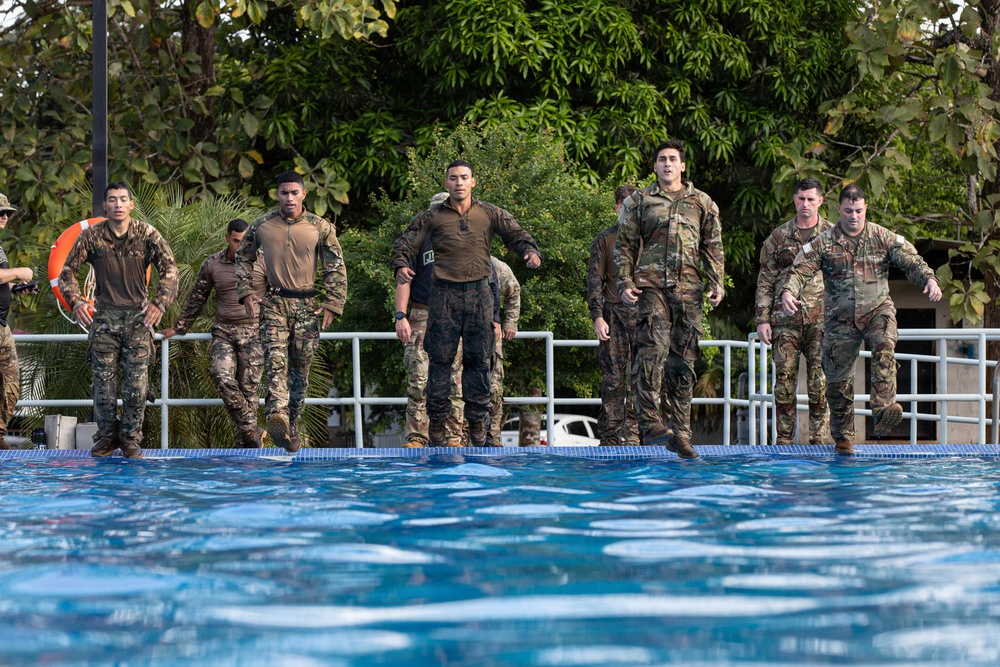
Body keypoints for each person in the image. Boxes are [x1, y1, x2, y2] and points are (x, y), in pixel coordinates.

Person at [781, 184, 942, 455]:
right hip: (839, 319)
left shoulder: (882, 236)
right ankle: (844, 437)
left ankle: (882, 409)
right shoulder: (824, 242)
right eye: (847, 211)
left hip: (877, 309)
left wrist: (928, 278)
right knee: (837, 380)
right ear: (839, 210)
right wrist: (788, 291)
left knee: (885, 344)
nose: (853, 216)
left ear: (865, 208)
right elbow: (800, 270)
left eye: (858, 210)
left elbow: (909, 260)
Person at [391, 159, 541, 447]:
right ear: (446, 183)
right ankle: (436, 420)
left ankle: (477, 426)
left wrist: (529, 251)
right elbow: (405, 244)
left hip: (480, 297)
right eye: (453, 178)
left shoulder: (489, 213)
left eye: (464, 177)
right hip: (443, 296)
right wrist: (400, 265)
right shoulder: (432, 216)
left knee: (479, 362)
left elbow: (516, 234)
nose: (459, 182)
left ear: (473, 182)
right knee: (439, 362)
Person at [617, 139, 724, 459]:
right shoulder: (639, 201)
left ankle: (681, 434)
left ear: (682, 166)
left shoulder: (702, 202)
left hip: (689, 291)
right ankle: (650, 421)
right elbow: (624, 244)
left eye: (672, 159)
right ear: (655, 166)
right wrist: (624, 281)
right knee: (653, 349)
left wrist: (717, 282)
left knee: (683, 364)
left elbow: (713, 245)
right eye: (661, 159)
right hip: (650, 288)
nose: (667, 164)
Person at [58, 182, 179, 458]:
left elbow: (170, 268)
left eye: (123, 199)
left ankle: (131, 440)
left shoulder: (147, 233)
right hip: (105, 318)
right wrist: (76, 301)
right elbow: (68, 272)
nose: (118, 204)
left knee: (137, 386)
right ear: (105, 206)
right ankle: (106, 438)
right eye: (112, 200)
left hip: (138, 318)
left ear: (131, 204)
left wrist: (160, 302)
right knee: (103, 386)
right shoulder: (91, 236)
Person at [235, 171, 347, 453]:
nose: (289, 198)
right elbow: (243, 258)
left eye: (294, 193)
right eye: (284, 193)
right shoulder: (262, 225)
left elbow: (335, 265)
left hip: (307, 305)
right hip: (274, 303)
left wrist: (333, 301)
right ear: (278, 194)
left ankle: (291, 424)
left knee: (301, 371)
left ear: (303, 194)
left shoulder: (320, 227)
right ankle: (278, 415)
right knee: (276, 361)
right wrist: (246, 292)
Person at [159, 219, 267, 448]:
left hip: (255, 332)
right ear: (228, 238)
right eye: (237, 241)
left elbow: (278, 296)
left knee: (248, 388)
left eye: (247, 241)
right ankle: (251, 429)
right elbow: (197, 298)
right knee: (221, 377)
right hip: (224, 332)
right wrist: (180, 326)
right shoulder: (212, 264)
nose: (241, 246)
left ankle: (245, 444)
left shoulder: (264, 262)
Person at [393, 193, 475, 448]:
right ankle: (417, 436)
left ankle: (453, 437)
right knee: (419, 378)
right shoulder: (416, 243)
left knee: (456, 380)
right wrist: (401, 316)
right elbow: (403, 280)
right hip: (422, 315)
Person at [755, 178, 833, 445]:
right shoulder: (779, 237)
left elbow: (846, 279)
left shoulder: (834, 235)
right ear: (794, 199)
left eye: (811, 199)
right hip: (784, 321)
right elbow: (765, 279)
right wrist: (762, 318)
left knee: (819, 383)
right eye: (801, 199)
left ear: (820, 201)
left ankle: (820, 442)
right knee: (784, 384)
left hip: (822, 321)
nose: (805, 204)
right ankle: (784, 442)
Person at [588, 184, 640, 447]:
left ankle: (635, 439)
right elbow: (594, 282)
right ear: (617, 207)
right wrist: (597, 316)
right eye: (625, 205)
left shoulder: (649, 239)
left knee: (643, 378)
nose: (629, 210)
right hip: (613, 315)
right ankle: (609, 439)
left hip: (644, 317)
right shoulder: (605, 239)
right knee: (612, 380)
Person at [0, 193, 36, 451]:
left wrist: (14, 288)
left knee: (10, 383)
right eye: (0, 212)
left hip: (2, 327)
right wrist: (19, 272)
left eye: (7, 213)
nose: (4, 217)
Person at [485, 255, 520, 446]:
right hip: (460, 338)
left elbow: (513, 290)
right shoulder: (455, 260)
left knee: (494, 390)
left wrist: (510, 323)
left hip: (491, 336)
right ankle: (461, 439)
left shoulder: (494, 265)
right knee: (458, 391)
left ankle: (493, 438)